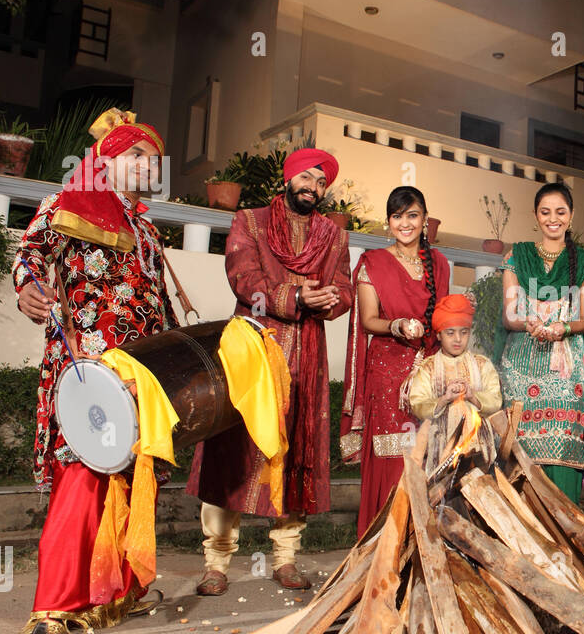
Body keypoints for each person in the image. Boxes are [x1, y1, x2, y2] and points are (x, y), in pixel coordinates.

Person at [13, 108, 177, 634]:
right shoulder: (69, 203)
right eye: (134, 155)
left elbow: (157, 301)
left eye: (151, 159)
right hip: (87, 368)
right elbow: (30, 254)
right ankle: (53, 608)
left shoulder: (148, 229)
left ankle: (116, 592)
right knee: (81, 480)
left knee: (129, 480)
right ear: (106, 160)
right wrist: (28, 289)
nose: (144, 165)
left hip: (140, 372)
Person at [188, 148, 353, 594]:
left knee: (294, 450)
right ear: (289, 177)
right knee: (235, 449)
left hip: (305, 358)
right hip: (253, 351)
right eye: (307, 177)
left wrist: (331, 300)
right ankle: (217, 561)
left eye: (321, 182)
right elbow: (243, 277)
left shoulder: (334, 237)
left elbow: (344, 289)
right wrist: (297, 298)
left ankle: (285, 557)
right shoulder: (251, 221)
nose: (313, 187)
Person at [339, 187, 450, 532]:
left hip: (428, 369)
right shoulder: (373, 263)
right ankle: (383, 543)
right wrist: (397, 325)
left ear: (424, 220)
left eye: (412, 215)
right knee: (392, 455)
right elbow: (369, 320)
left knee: (426, 456)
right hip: (387, 373)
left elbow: (443, 318)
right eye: (397, 216)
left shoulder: (439, 264)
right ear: (388, 223)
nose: (405, 223)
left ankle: (420, 544)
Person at [492, 183, 584, 503]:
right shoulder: (517, 255)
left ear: (571, 216)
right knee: (520, 451)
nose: (553, 219)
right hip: (520, 369)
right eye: (545, 212)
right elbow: (509, 315)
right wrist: (529, 322)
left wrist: (561, 327)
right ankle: (522, 540)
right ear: (535, 215)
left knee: (563, 447)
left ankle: (563, 537)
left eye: (560, 212)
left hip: (565, 373)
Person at [408, 293, 502, 421]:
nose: (458, 339)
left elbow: (496, 401)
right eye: (450, 333)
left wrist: (472, 397)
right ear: (439, 335)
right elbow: (418, 405)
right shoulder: (427, 368)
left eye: (464, 332)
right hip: (439, 438)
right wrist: (444, 399)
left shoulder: (482, 364)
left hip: (477, 438)